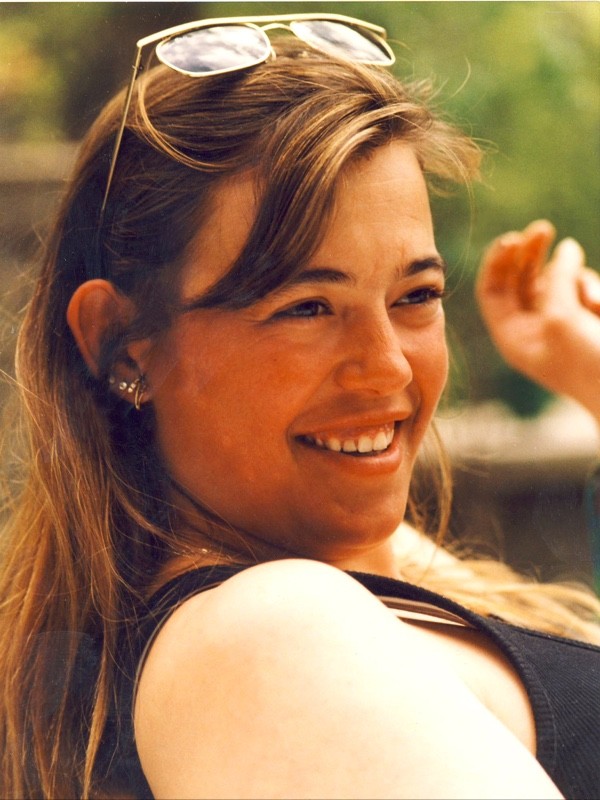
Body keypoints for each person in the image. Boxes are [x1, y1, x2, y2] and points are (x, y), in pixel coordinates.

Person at [0, 13, 598, 800]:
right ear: (121, 341)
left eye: (416, 295)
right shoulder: (266, 633)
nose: (388, 367)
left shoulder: (347, 563)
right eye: (307, 308)